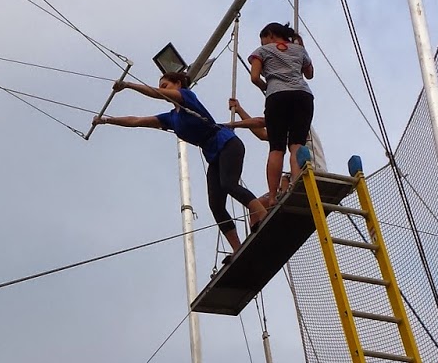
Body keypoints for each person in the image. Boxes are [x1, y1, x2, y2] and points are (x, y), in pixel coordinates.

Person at [92, 71, 266, 252]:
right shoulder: (171, 118)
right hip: (213, 154)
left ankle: (262, 214)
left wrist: (128, 85)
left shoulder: (187, 96)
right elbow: (137, 121)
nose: (162, 90)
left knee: (229, 184)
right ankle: (237, 248)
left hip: (227, 143)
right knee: (215, 205)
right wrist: (107, 120)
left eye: (165, 86)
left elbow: (156, 93)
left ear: (178, 84)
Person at [248, 22, 314, 205]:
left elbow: (254, 77)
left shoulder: (262, 51)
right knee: (297, 145)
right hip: (302, 96)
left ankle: (272, 196)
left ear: (270, 35)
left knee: (276, 148)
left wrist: (266, 86)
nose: (263, 44)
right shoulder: (299, 50)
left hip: (277, 97)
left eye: (263, 40)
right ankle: (296, 184)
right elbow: (309, 74)